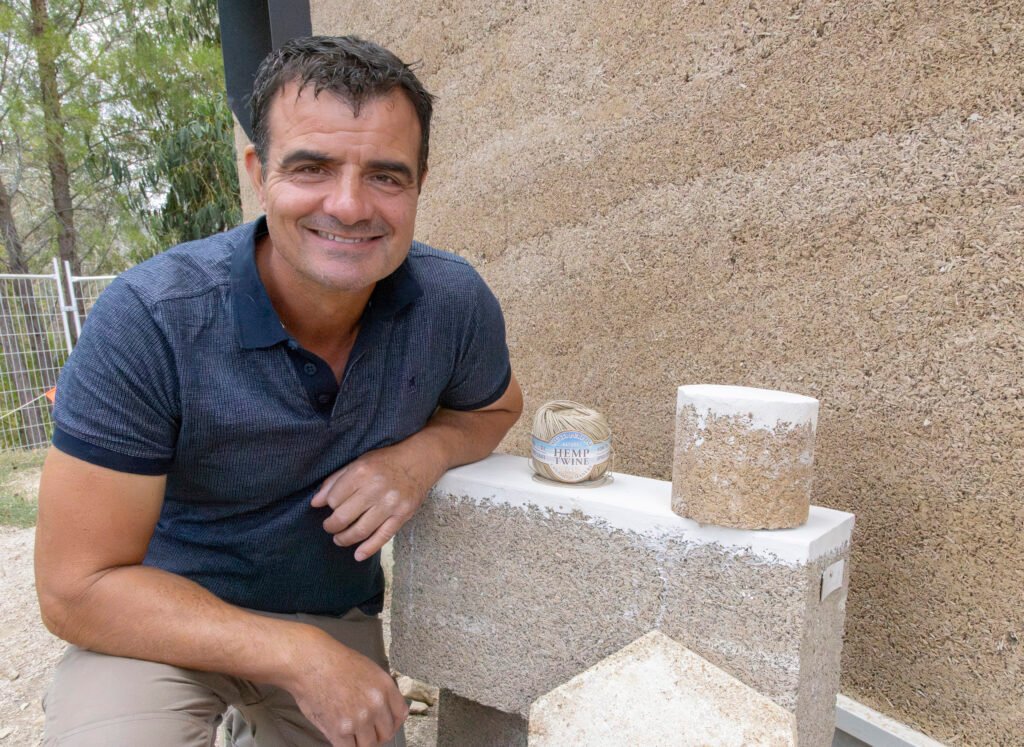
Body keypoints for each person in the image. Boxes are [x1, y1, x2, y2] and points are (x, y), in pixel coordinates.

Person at [34, 35, 522, 747]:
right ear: (258, 172)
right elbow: (74, 588)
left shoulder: (451, 302)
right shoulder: (150, 319)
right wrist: (297, 656)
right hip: (164, 618)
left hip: (331, 612)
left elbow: (496, 408)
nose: (350, 205)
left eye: (386, 176)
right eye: (311, 167)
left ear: (420, 182)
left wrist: (420, 456)